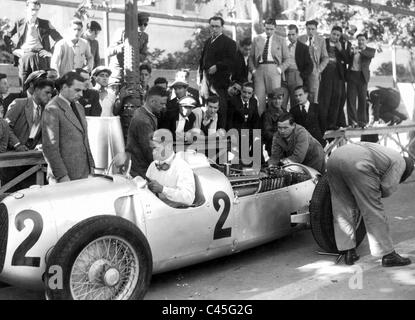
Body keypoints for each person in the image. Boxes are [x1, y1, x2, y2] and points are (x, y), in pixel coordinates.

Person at [327, 142, 414, 266]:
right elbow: (386, 188)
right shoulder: (401, 163)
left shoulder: (386, 152)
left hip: (334, 158)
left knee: (342, 206)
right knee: (372, 208)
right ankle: (388, 255)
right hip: (358, 160)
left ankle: (348, 252)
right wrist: (366, 196)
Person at [42, 71, 95, 183]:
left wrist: (91, 167)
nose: (81, 94)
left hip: (83, 174)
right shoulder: (52, 108)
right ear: (64, 87)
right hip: (65, 178)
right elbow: (50, 148)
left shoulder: (79, 108)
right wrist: (62, 176)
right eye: (77, 90)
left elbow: (85, 140)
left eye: (82, 90)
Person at [3, 0, 62, 85]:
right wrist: (14, 50)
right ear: (26, 8)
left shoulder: (45, 23)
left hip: (40, 57)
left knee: (41, 84)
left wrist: (50, 52)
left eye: (36, 10)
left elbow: (59, 39)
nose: (34, 12)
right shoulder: (19, 22)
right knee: (25, 84)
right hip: (24, 56)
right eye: (32, 9)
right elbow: (6, 37)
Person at [199, 16, 237, 126]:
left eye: (217, 26)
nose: (214, 29)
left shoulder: (229, 43)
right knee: (207, 110)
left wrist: (217, 66)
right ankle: (208, 135)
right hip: (206, 81)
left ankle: (221, 135)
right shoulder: (207, 42)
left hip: (221, 83)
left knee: (220, 110)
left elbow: (232, 61)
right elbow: (202, 60)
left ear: (222, 27)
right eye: (212, 26)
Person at [125, 86, 168, 178]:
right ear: (152, 101)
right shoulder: (143, 121)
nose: (164, 107)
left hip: (138, 165)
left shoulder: (143, 112)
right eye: (162, 104)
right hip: (141, 170)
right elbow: (150, 151)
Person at [250, 18, 289, 116]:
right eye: (267, 29)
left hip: (274, 69)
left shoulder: (281, 40)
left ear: (275, 28)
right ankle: (261, 127)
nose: (269, 31)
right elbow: (250, 57)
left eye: (271, 29)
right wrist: (253, 71)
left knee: (275, 99)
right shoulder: (257, 39)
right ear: (264, 27)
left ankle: (275, 127)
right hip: (259, 69)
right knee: (259, 100)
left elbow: (288, 59)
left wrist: (279, 69)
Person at [146, 129, 195, 208]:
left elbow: (188, 198)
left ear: (168, 147)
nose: (153, 152)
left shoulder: (182, 167)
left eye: (156, 148)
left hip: (175, 214)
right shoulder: (153, 165)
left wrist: (163, 189)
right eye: (152, 148)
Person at [6, 78, 54, 151]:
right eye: (47, 92)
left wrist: (39, 145)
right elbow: (5, 127)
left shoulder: (46, 110)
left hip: (31, 154)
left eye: (51, 93)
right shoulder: (19, 103)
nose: (50, 96)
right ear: (37, 90)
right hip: (12, 152)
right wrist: (17, 144)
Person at [318, 26, 349, 132]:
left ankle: (332, 124)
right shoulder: (323, 42)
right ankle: (323, 123)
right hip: (325, 73)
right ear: (330, 33)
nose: (335, 37)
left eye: (338, 35)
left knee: (337, 98)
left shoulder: (341, 45)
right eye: (334, 34)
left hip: (338, 74)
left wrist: (340, 49)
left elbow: (347, 60)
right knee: (325, 99)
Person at [107, 13, 150, 81]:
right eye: (140, 24)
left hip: (132, 74)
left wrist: (134, 54)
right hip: (117, 74)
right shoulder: (122, 32)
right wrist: (123, 47)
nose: (142, 27)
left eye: (145, 25)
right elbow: (109, 52)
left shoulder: (145, 36)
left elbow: (144, 55)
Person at [346, 33, 376, 127]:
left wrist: (359, 51)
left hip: (362, 77)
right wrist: (351, 53)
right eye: (359, 40)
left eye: (362, 40)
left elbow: (369, 55)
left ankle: (362, 122)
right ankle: (352, 122)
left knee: (362, 100)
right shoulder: (353, 49)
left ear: (366, 41)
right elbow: (347, 59)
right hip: (352, 75)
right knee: (351, 100)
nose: (360, 42)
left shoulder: (370, 50)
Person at [298, 20, 329, 103]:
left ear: (316, 29)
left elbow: (326, 57)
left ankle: (312, 115)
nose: (310, 31)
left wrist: (318, 70)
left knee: (313, 96)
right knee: (300, 95)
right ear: (306, 29)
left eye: (313, 29)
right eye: (308, 29)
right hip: (301, 71)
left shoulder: (321, 40)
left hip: (314, 71)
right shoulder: (300, 39)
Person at [283, 24, 313, 110]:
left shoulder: (303, 47)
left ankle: (296, 121)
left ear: (297, 34)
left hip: (296, 74)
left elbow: (310, 65)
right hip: (285, 75)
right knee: (283, 100)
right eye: (289, 35)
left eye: (293, 34)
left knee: (296, 100)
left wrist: (302, 75)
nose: (291, 37)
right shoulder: (285, 47)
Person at [262, 87, 287, 155]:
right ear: (271, 100)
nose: (277, 101)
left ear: (282, 100)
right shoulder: (267, 114)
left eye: (279, 98)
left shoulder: (286, 113)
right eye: (274, 98)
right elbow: (267, 132)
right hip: (272, 144)